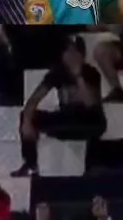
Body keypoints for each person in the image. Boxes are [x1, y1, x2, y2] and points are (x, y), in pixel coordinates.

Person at [13, 36, 106, 177]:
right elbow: (34, 99)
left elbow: (90, 103)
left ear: (81, 55)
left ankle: (93, 166)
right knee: (27, 115)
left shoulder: (91, 73)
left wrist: (78, 76)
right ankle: (30, 164)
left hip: (88, 121)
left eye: (74, 52)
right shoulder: (57, 73)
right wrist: (27, 120)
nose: (70, 56)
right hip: (67, 119)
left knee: (94, 118)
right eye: (67, 51)